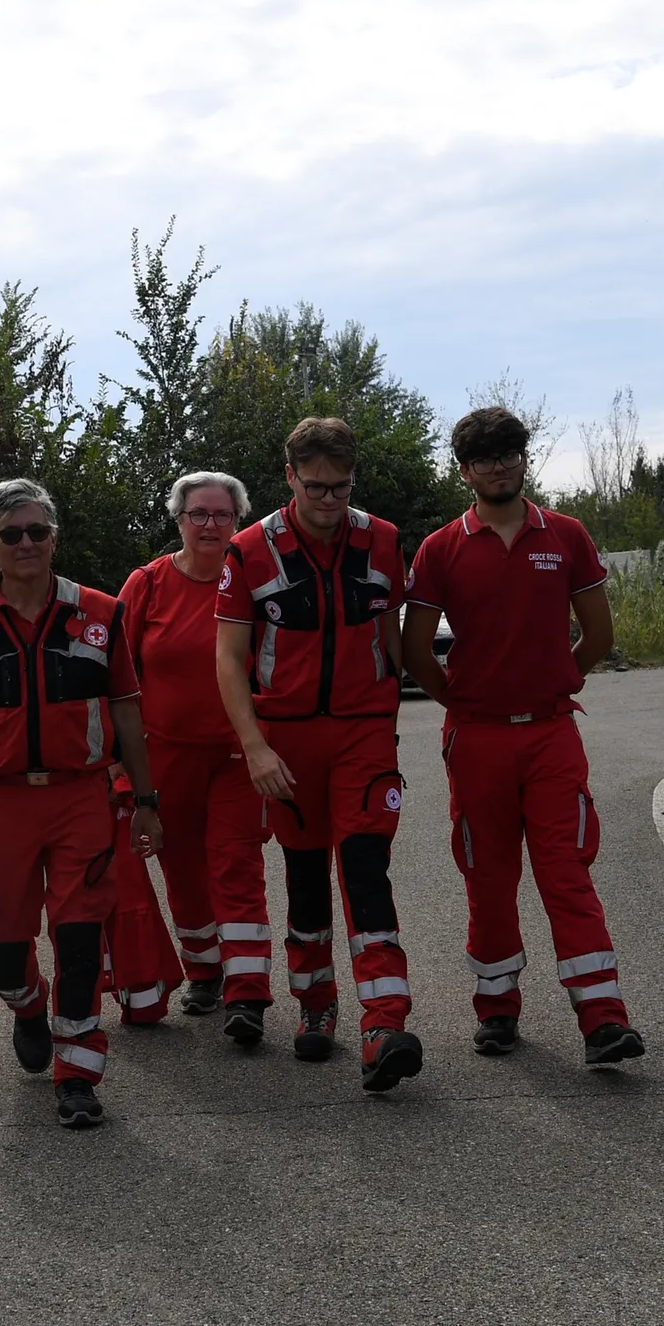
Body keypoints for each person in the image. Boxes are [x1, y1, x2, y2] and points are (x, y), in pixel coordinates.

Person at [400, 406, 645, 1069]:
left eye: (509, 453)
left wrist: (556, 681)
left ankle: (602, 1020)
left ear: (522, 459)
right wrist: (460, 699)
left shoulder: (564, 534)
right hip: (475, 740)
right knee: (488, 874)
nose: (500, 465)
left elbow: (599, 635)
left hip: (550, 735)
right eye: (485, 458)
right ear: (466, 471)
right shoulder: (441, 548)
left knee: (566, 873)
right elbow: (417, 650)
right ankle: (497, 1006)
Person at [0, 479, 163, 1129]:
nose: (26, 543)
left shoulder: (101, 613)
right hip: (1, 806)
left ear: (55, 538)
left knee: (81, 939)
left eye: (37, 531)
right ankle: (28, 1006)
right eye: (12, 534)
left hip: (81, 799)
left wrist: (145, 799)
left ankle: (79, 1073)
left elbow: (127, 712)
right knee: (5, 947)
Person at [215, 417, 423, 1094]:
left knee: (365, 868)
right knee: (304, 875)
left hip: (363, 731)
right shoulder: (250, 552)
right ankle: (315, 1003)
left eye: (341, 488)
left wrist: (425, 701)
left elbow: (391, 636)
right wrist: (254, 747)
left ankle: (384, 1021)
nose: (330, 502)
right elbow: (229, 657)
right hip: (288, 739)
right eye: (316, 488)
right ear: (290, 479)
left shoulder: (385, 541)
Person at [117, 472, 270, 1020]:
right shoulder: (147, 584)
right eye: (198, 514)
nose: (210, 525)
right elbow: (118, 678)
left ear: (238, 521)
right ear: (178, 520)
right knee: (180, 867)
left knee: (236, 863)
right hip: (165, 756)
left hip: (237, 754)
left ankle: (248, 990)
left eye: (222, 515)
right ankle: (205, 972)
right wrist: (120, 768)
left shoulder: (253, 580)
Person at [100, 766, 185, 1025]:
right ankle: (76, 1010)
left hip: (103, 789)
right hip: (67, 791)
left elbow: (127, 729)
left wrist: (128, 786)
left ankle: (142, 994)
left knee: (127, 892)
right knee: (76, 902)